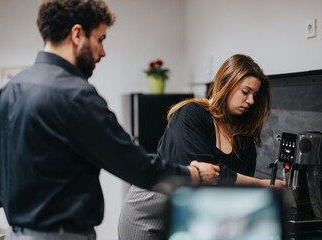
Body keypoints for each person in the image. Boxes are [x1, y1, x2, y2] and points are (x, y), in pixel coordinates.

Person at [0, 0, 220, 239]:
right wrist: (194, 173)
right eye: (100, 39)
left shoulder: (5, 93)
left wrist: (13, 207)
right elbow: (135, 164)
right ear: (77, 35)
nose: (103, 52)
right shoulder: (75, 95)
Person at [118, 54, 285, 240]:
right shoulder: (190, 114)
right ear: (226, 84)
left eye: (255, 95)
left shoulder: (243, 139)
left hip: (195, 215)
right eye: (245, 92)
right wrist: (262, 185)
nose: (251, 101)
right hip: (149, 213)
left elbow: (236, 194)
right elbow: (205, 173)